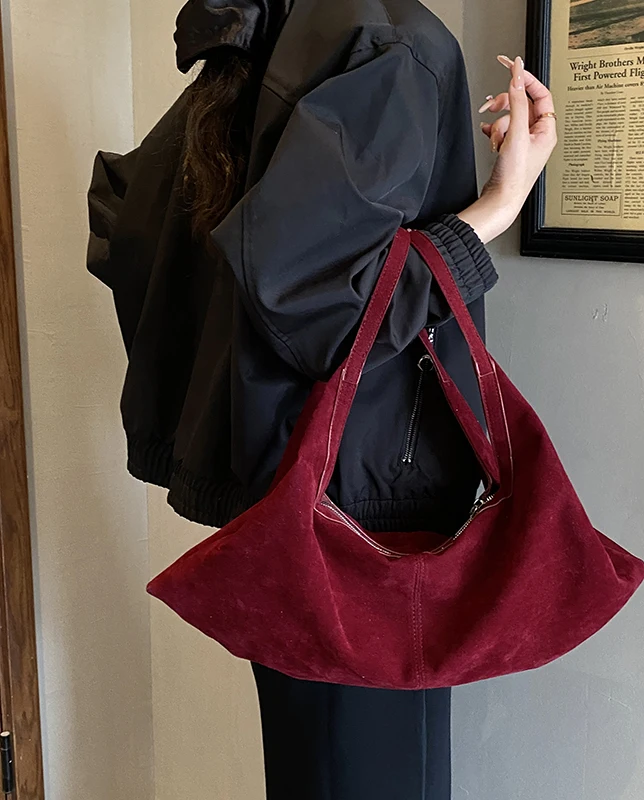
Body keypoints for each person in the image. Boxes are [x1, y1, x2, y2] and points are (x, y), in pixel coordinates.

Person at [86, 1, 556, 797]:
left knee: (320, 771)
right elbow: (316, 300)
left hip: (290, 499)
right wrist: (497, 207)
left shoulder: (271, 24)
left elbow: (130, 225)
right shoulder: (394, 43)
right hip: (371, 518)